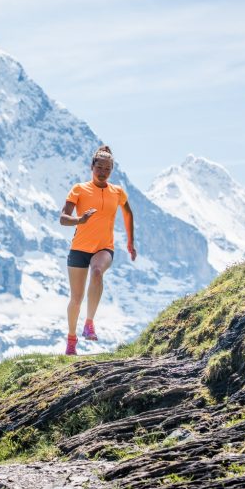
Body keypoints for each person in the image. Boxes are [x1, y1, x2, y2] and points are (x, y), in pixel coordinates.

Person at [59, 145, 136, 355]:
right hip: (79, 249)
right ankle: (71, 340)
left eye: (107, 169)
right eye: (99, 168)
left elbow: (128, 214)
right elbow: (63, 218)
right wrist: (80, 219)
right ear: (92, 166)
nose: (103, 172)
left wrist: (130, 243)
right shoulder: (79, 189)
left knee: (97, 272)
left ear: (112, 170)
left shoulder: (117, 192)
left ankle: (89, 323)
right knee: (76, 298)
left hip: (104, 248)